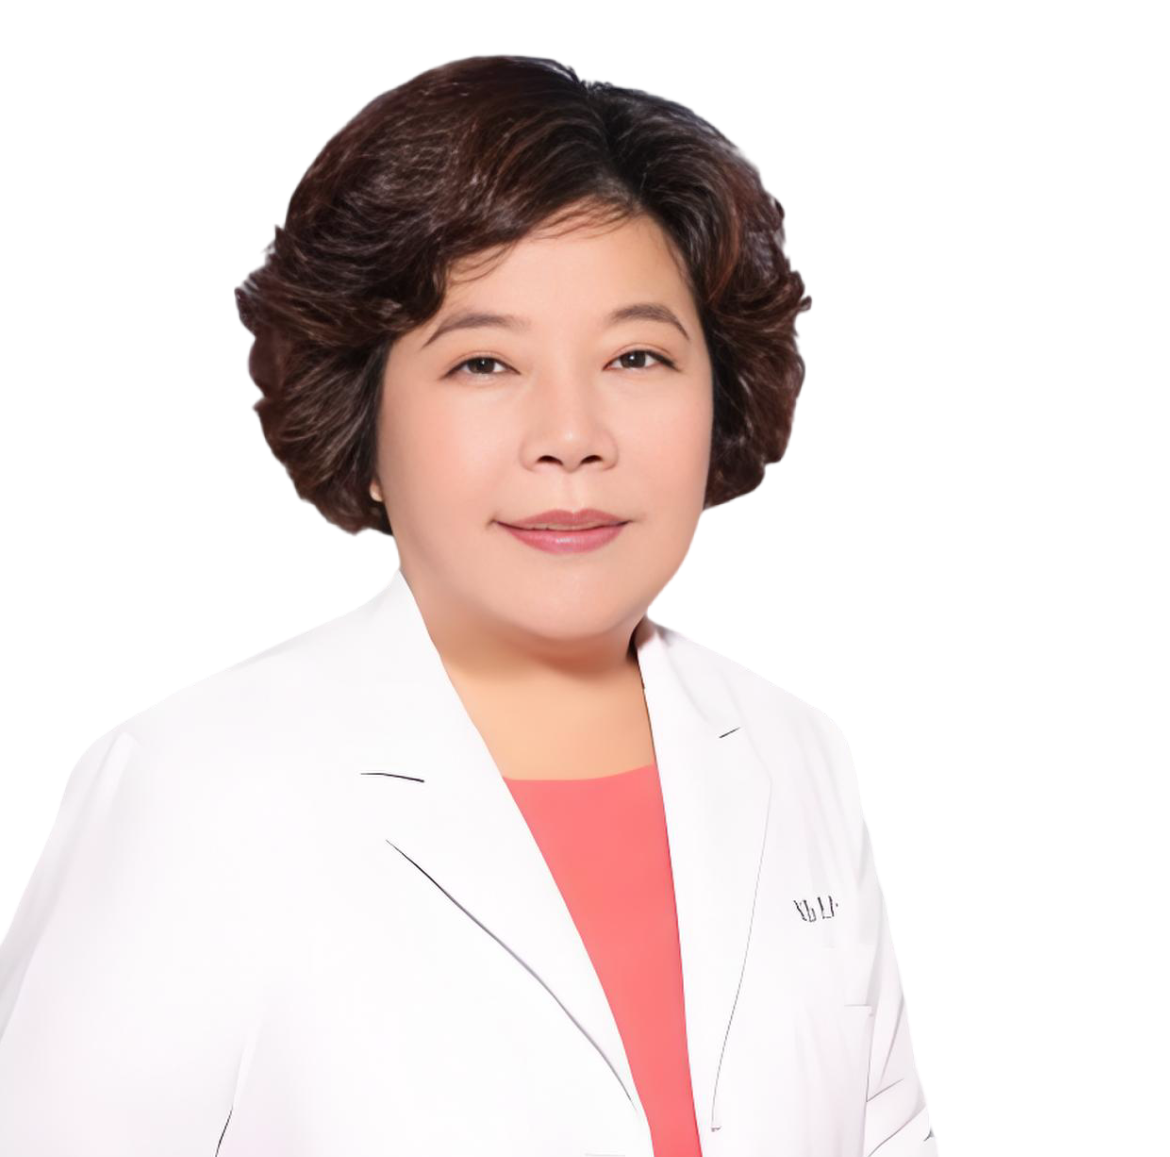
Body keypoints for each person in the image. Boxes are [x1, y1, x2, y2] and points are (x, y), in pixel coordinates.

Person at [0, 54, 938, 1156]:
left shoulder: (796, 754)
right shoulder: (197, 790)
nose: (571, 435)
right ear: (364, 419)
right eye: (485, 364)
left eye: (637, 356)